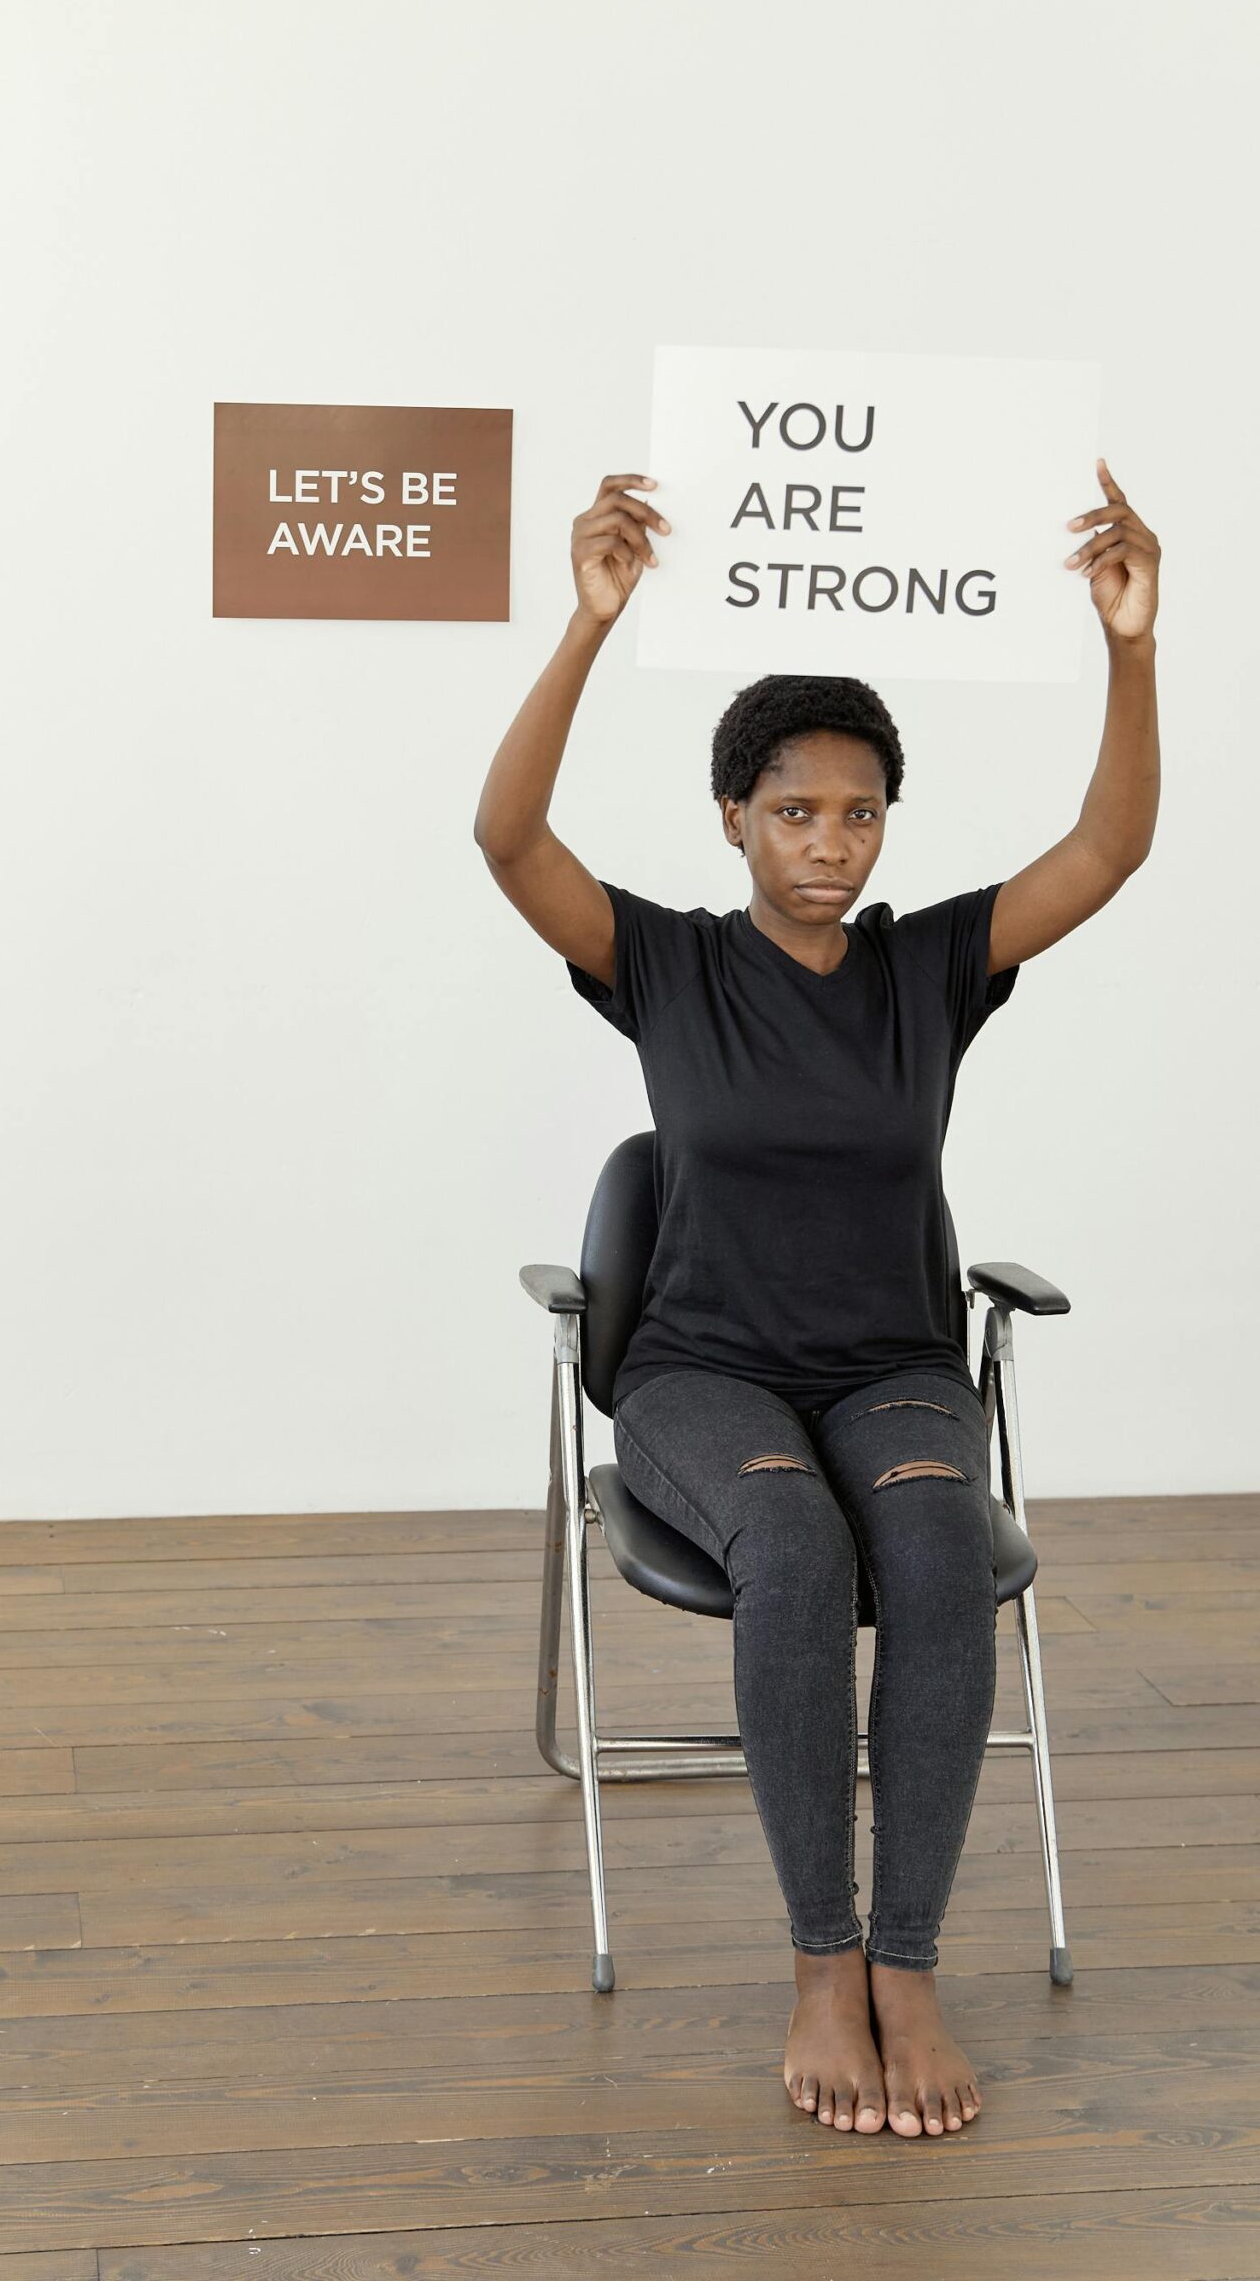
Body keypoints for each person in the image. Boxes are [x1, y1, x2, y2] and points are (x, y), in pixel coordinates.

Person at [472, 464, 1160, 2139]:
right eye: (795, 811)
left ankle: (906, 1969)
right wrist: (588, 622)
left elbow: (1108, 849)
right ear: (732, 817)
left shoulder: (932, 967)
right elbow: (506, 840)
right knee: (791, 1545)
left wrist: (1134, 649)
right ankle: (818, 1960)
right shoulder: (668, 962)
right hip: (703, 1375)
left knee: (928, 1550)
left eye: (860, 814)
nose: (831, 846)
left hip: (890, 1369)